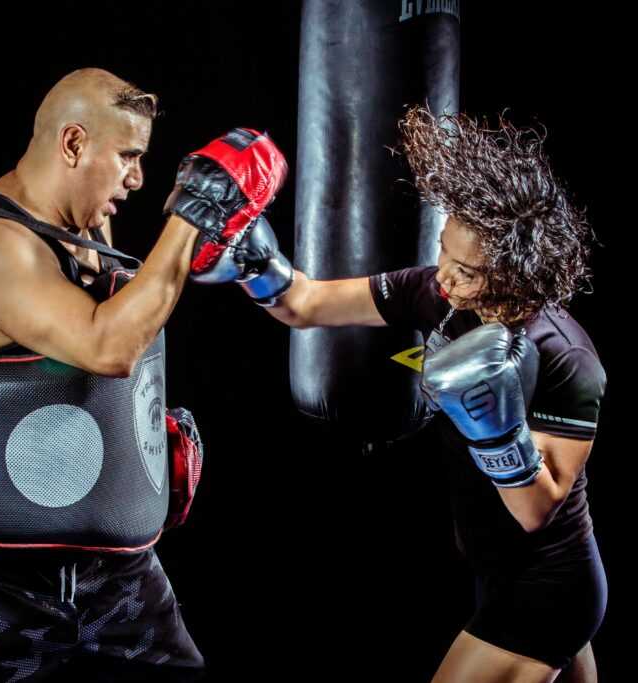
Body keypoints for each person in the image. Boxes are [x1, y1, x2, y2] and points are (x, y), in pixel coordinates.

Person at [212, 106, 607, 683]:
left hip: (548, 583)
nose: (445, 274)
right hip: (496, 572)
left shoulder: (567, 358)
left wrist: (495, 430)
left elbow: (535, 510)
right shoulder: (436, 294)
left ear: (515, 273)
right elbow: (306, 304)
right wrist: (254, 260)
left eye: (466, 269)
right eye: (445, 249)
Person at [0, 67, 287, 681]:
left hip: (113, 573)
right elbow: (107, 345)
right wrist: (193, 212)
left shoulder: (85, 225)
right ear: (72, 143)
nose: (138, 178)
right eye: (127, 157)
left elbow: (126, 315)